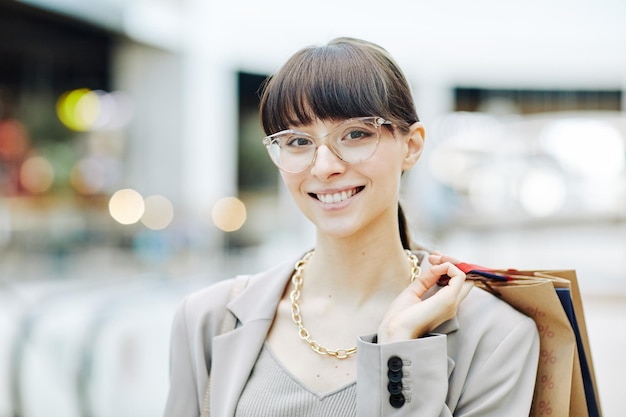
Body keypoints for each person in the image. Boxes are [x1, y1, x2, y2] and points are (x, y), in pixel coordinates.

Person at [164, 37, 539, 417]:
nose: (324, 166)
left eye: (356, 134)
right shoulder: (208, 319)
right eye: (297, 140)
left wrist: (399, 355)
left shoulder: (495, 335)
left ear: (411, 146)